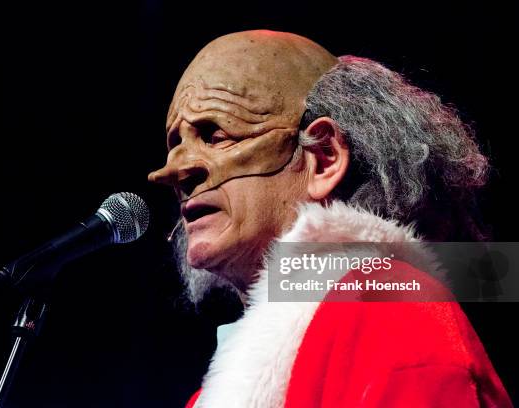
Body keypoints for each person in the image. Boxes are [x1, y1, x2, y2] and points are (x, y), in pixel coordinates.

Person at [148, 30, 512, 407]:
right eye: (176, 143)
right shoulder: (206, 397)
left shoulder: (391, 314)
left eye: (216, 135)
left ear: (323, 159)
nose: (172, 171)